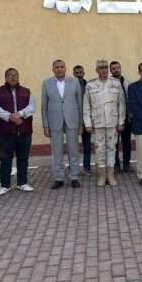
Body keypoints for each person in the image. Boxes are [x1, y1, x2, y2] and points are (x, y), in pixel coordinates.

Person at [0, 67, 35, 196]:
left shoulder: (26, 91)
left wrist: (19, 114)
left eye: (15, 75)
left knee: (23, 157)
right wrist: (10, 116)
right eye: (10, 75)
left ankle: (22, 183)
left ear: (18, 77)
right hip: (5, 131)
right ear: (5, 78)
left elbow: (32, 107)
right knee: (5, 158)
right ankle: (5, 185)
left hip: (24, 130)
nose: (13, 77)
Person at [41, 59, 83, 189]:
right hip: (54, 120)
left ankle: (74, 177)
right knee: (57, 151)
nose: (59, 69)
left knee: (73, 150)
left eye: (62, 67)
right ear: (53, 69)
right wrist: (45, 125)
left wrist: (81, 123)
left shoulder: (74, 81)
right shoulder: (46, 83)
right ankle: (58, 178)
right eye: (57, 67)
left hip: (72, 119)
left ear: (65, 68)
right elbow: (44, 105)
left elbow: (80, 103)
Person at [84, 59, 126, 186]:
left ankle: (110, 174)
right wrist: (88, 124)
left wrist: (121, 122)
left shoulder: (116, 84)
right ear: (96, 70)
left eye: (105, 68)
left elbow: (121, 104)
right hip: (97, 123)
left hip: (113, 122)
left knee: (112, 148)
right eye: (101, 68)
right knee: (99, 149)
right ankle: (102, 175)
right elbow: (86, 106)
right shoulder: (90, 85)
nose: (103, 70)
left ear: (108, 69)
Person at [110, 61, 132, 173]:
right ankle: (116, 164)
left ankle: (127, 164)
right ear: (110, 70)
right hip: (113, 119)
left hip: (126, 118)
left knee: (127, 142)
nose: (116, 70)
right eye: (113, 68)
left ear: (120, 68)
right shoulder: (108, 84)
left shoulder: (128, 83)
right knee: (114, 143)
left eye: (117, 68)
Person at [73, 65, 92, 176]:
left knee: (87, 145)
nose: (79, 75)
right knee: (73, 147)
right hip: (73, 121)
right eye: (76, 73)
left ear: (84, 73)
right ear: (73, 74)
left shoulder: (89, 86)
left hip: (86, 120)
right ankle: (73, 168)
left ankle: (87, 168)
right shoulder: (70, 86)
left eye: (80, 72)